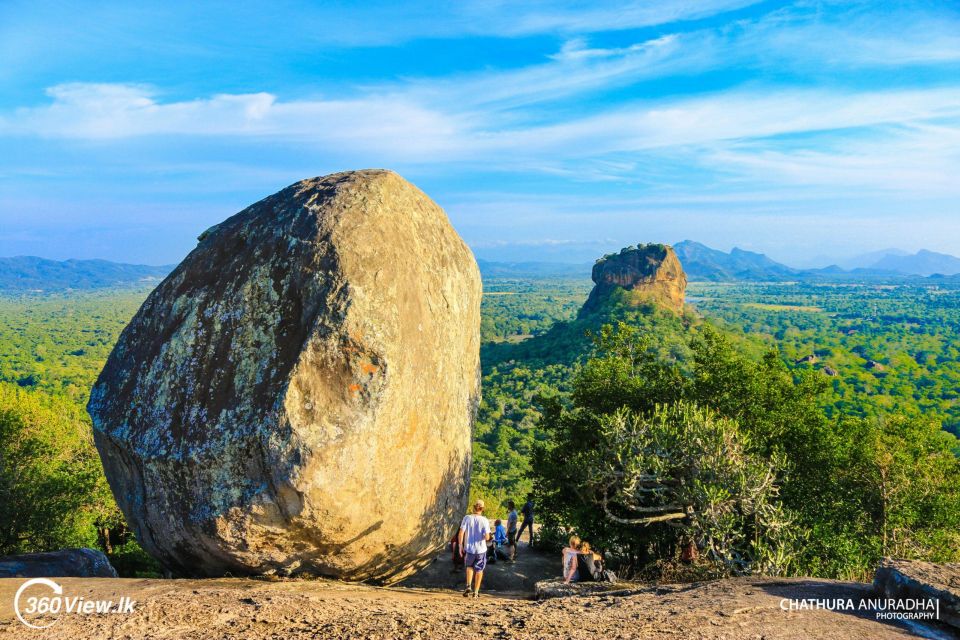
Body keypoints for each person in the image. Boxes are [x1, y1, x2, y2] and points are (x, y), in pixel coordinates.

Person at [458, 499, 492, 598]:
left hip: (469, 548)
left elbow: (461, 533)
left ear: (474, 507)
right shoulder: (484, 520)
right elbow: (486, 537)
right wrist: (489, 537)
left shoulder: (467, 518)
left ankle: (468, 586)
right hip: (481, 549)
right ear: (482, 509)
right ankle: (476, 592)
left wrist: (460, 546)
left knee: (469, 567)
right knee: (479, 570)